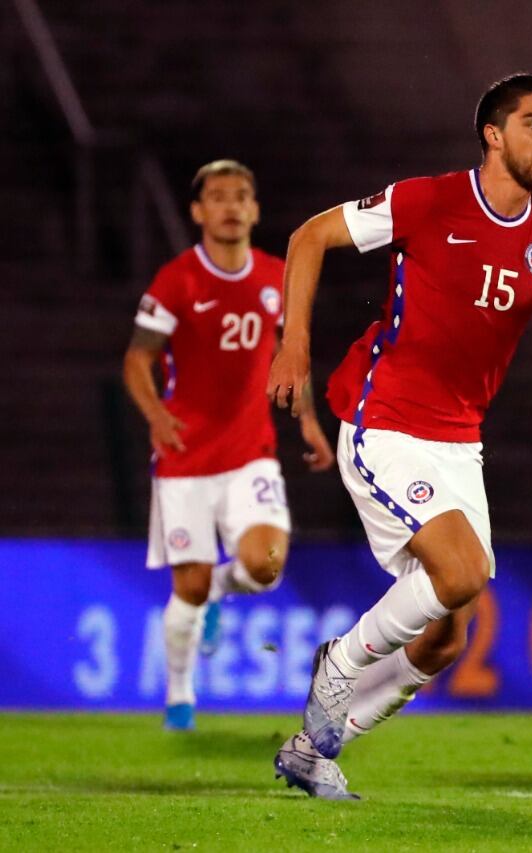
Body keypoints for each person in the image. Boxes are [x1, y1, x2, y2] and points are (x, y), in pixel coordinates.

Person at [265, 73, 532, 800]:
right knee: (460, 573)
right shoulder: (430, 200)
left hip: (460, 439)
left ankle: (315, 746)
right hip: (383, 417)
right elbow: (310, 236)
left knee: (447, 635)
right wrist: (293, 340)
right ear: (493, 135)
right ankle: (338, 663)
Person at [122, 159, 335, 732]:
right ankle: (180, 698)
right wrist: (156, 414)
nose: (231, 205)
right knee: (185, 589)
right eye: (218, 197)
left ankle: (223, 586)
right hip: (185, 457)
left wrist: (308, 421)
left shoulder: (275, 276)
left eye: (241, 195)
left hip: (250, 454)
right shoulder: (177, 281)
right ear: (198, 211)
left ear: (255, 209)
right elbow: (137, 359)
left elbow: (287, 357)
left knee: (265, 565)